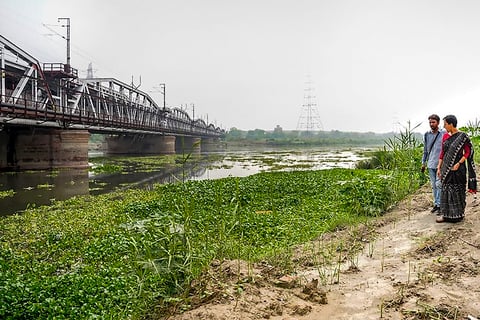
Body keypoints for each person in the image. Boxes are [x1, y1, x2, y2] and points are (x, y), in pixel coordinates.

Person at [436, 115, 477, 223]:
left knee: (457, 190)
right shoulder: (445, 137)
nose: (444, 127)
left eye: (445, 124)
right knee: (446, 190)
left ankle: (458, 215)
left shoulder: (462, 136)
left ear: (451, 124)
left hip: (458, 169)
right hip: (446, 168)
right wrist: (439, 167)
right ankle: (445, 215)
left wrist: (459, 163)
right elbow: (442, 153)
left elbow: (468, 152)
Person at [421, 114, 445, 213]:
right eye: (430, 122)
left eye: (433, 122)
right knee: (433, 185)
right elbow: (425, 150)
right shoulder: (427, 134)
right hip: (431, 164)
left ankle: (440, 205)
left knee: (439, 184)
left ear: (438, 123)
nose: (431, 124)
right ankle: (436, 204)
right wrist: (423, 163)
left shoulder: (443, 133)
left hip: (441, 164)